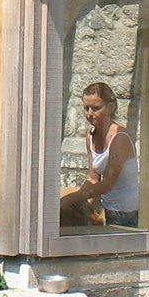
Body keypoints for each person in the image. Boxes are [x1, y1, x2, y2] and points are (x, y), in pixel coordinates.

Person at [59, 81, 141, 228]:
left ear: (110, 108)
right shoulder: (90, 136)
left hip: (126, 213)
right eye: (86, 108)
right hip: (106, 207)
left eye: (96, 108)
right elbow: (93, 177)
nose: (89, 114)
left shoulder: (119, 138)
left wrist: (72, 198)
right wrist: (85, 205)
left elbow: (108, 183)